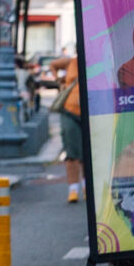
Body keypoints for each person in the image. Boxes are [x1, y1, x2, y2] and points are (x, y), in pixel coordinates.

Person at [54, 53, 86, 204]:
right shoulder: (72, 61)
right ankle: (73, 190)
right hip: (69, 111)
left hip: (88, 114)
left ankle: (87, 188)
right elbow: (53, 65)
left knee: (88, 154)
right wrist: (58, 80)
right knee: (72, 152)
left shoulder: (97, 61)